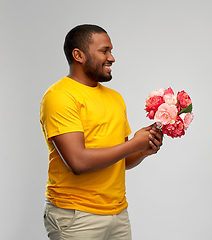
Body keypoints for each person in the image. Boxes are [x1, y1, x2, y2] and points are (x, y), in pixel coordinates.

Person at [40, 24, 163, 240]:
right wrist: (134, 143)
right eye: (104, 51)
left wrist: (144, 149)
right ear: (78, 55)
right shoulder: (60, 97)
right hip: (76, 216)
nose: (112, 58)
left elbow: (122, 159)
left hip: (118, 214)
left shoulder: (115, 98)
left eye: (111, 51)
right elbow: (77, 162)